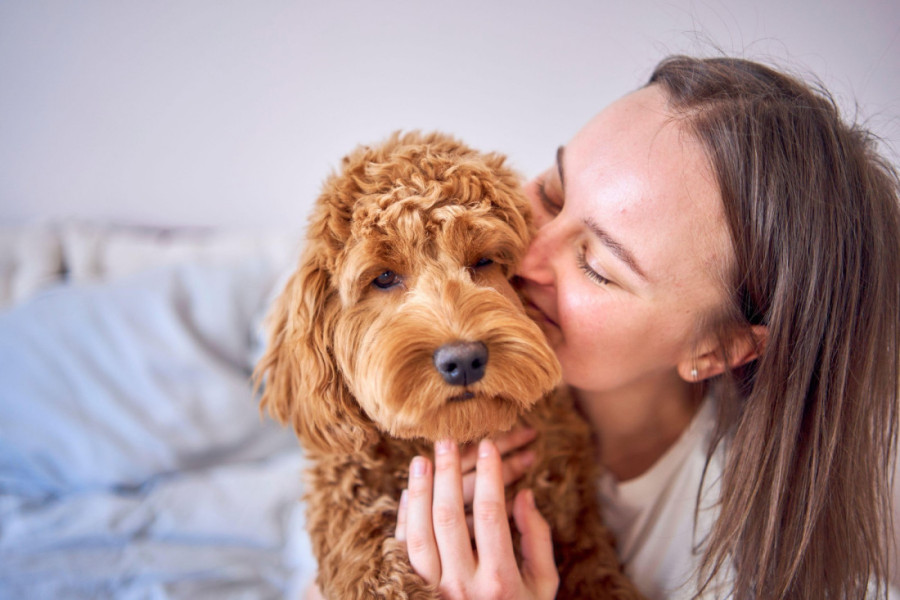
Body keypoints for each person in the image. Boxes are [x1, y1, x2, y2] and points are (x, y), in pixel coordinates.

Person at [392, 56, 900, 599]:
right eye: (551, 194)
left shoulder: (747, 571)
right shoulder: (435, 362)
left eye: (597, 267)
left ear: (720, 347)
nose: (522, 255)